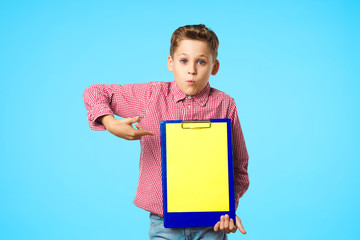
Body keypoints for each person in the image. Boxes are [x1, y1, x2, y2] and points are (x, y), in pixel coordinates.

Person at [83, 24, 249, 240]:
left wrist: (228, 207)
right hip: (163, 222)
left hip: (212, 222)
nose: (192, 70)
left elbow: (238, 166)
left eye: (201, 61)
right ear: (170, 63)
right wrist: (110, 122)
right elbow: (95, 91)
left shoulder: (225, 105)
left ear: (214, 67)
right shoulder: (151, 95)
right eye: (183, 61)